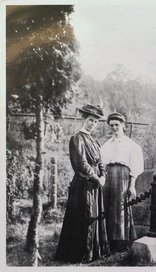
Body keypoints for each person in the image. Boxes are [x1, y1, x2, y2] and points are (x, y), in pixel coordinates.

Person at [55, 104, 109, 263]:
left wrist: (103, 176)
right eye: (90, 120)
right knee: (84, 217)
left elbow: (101, 163)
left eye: (95, 122)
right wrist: (96, 178)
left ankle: (94, 251)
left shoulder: (95, 141)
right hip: (83, 185)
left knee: (94, 216)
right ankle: (81, 253)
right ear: (84, 120)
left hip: (96, 185)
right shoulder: (77, 138)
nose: (92, 124)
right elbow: (80, 163)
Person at [101, 112, 144, 252]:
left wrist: (132, 185)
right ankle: (108, 242)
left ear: (123, 126)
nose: (114, 128)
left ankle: (120, 243)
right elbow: (102, 164)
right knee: (107, 206)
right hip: (108, 176)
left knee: (120, 207)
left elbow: (135, 166)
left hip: (123, 176)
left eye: (117, 125)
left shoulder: (131, 145)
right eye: (111, 125)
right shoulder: (106, 145)